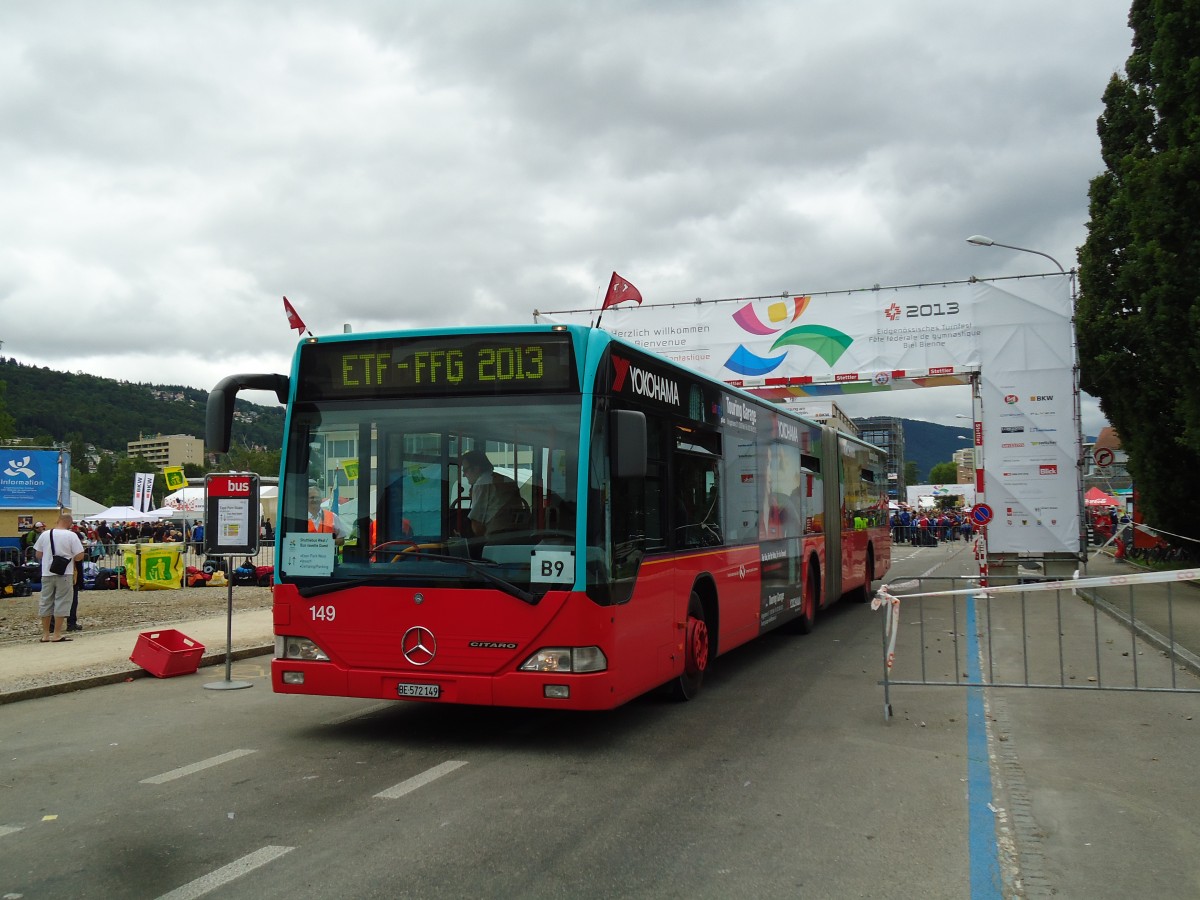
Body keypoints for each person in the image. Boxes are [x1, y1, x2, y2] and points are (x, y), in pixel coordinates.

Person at [33, 513, 85, 643]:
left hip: (47, 573)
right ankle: (57, 634)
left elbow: (38, 554)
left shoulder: (45, 534)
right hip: (65, 573)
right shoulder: (71, 535)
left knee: (46, 601)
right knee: (62, 601)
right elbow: (79, 556)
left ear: (58, 521)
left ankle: (45, 634)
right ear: (69, 523)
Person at [460, 450, 526, 536]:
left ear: (476, 468)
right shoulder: (507, 480)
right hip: (520, 533)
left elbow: (477, 527)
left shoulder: (482, 483)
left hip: (496, 537)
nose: (464, 475)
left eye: (465, 470)